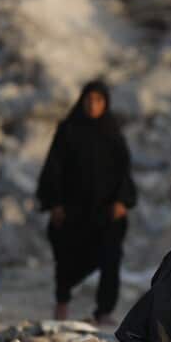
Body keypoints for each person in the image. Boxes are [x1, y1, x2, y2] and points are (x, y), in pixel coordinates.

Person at [37, 80, 137, 324]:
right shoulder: (68, 130)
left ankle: (104, 311)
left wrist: (123, 201)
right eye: (89, 100)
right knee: (66, 258)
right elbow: (54, 168)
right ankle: (62, 303)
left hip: (106, 212)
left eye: (98, 100)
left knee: (110, 257)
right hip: (72, 210)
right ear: (81, 101)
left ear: (106, 104)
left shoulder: (113, 133)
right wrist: (55, 203)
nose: (93, 105)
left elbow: (124, 171)